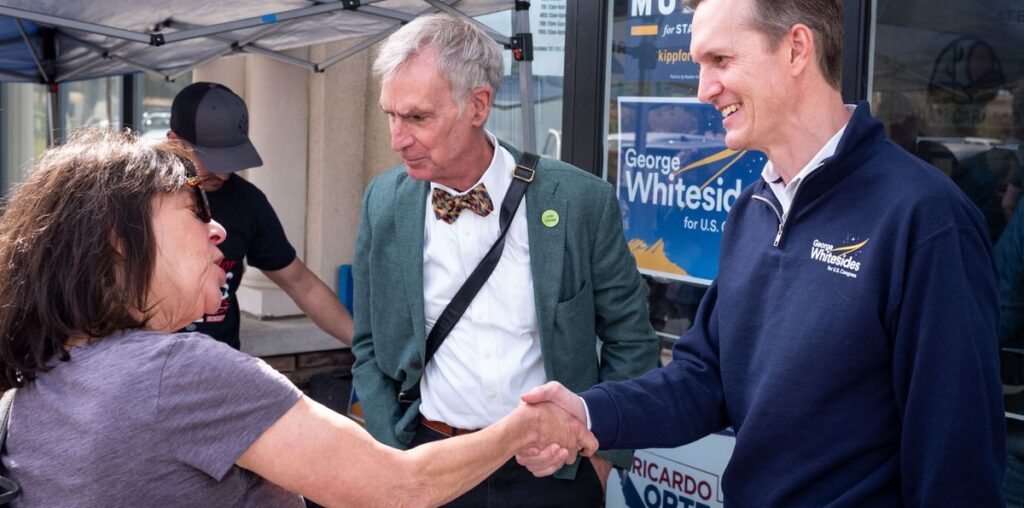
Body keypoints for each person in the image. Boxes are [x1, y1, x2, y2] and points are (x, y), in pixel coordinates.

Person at [518, 0, 1007, 505]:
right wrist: (589, 413)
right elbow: (705, 379)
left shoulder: (926, 219)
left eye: (721, 61)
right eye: (700, 66)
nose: (705, 90)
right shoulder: (754, 208)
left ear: (796, 48)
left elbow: (956, 459)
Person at [0, 129, 596, 507]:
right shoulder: (176, 372)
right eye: (191, 209)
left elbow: (301, 282)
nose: (218, 227)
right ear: (119, 240)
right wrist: (525, 427)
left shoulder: (37, 384)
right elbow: (399, 487)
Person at [351, 13, 659, 506]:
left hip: (552, 472)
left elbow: (630, 340)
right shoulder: (383, 201)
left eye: (417, 117)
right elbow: (369, 345)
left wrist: (601, 461)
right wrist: (394, 450)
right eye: (391, 115)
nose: (397, 138)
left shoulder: (579, 201)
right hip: (432, 460)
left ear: (478, 105)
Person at [167, 82, 353, 349]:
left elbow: (301, 284)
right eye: (212, 161)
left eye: (231, 161)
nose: (223, 175)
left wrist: (364, 349)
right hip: (148, 375)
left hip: (222, 368)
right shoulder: (138, 199)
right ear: (174, 142)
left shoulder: (247, 201)